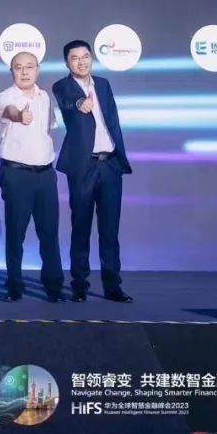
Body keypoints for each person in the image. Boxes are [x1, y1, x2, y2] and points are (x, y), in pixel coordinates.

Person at [53, 40, 133, 303]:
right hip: (83, 166)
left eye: (85, 56)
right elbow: (69, 102)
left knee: (110, 230)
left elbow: (113, 121)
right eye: (74, 58)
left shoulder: (104, 85)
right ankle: (79, 285)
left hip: (109, 165)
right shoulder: (62, 86)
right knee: (81, 227)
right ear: (67, 63)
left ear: (91, 58)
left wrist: (118, 157)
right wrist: (81, 104)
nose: (81, 62)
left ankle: (113, 286)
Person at [0, 51, 65, 303]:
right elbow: (10, 112)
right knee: (16, 233)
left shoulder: (45, 97)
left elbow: (48, 130)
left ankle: (54, 286)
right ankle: (14, 286)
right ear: (11, 71)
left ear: (38, 69)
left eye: (29, 66)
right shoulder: (5, 96)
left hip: (45, 175)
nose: (24, 72)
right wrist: (20, 116)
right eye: (18, 67)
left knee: (49, 233)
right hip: (16, 174)